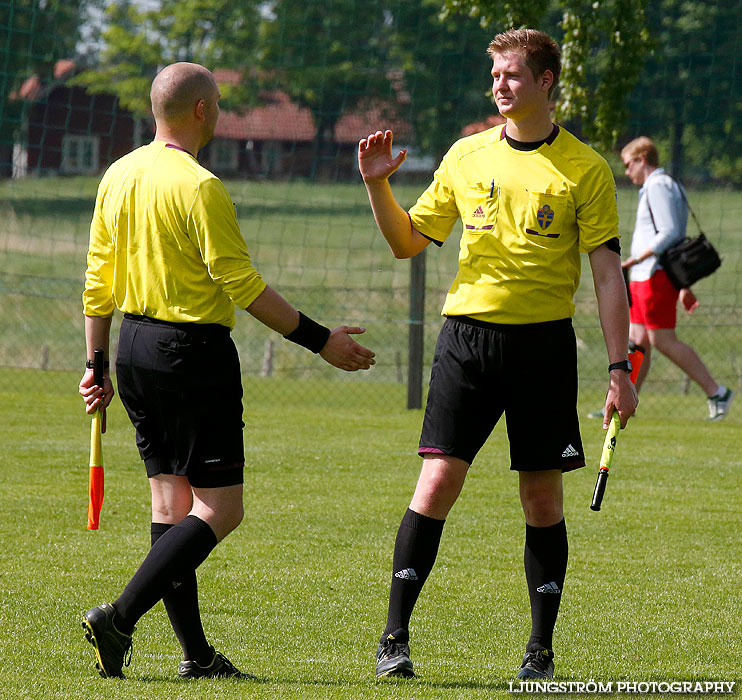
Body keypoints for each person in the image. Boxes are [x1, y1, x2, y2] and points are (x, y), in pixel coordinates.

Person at [79, 62, 376, 681]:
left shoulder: (117, 174)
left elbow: (97, 279)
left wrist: (96, 363)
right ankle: (121, 616)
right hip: (190, 353)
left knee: (171, 503)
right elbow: (240, 284)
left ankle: (195, 656)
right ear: (202, 112)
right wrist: (320, 340)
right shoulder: (200, 186)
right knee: (220, 510)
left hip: (131, 346)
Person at [358, 28, 637, 682]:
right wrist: (377, 187)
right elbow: (407, 241)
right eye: (495, 74)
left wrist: (620, 370)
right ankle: (393, 638)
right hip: (467, 342)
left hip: (543, 347)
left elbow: (604, 276)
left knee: (542, 500)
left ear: (545, 81)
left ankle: (540, 650)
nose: (499, 85)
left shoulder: (587, 170)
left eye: (512, 74)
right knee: (437, 480)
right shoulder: (464, 156)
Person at [619, 136, 732, 421]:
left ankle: (717, 391)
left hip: (654, 274)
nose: (626, 171)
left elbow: (669, 233)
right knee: (638, 338)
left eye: (628, 164)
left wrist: (637, 259)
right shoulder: (659, 186)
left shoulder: (659, 185)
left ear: (642, 159)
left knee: (661, 339)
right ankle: (626, 401)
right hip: (647, 276)